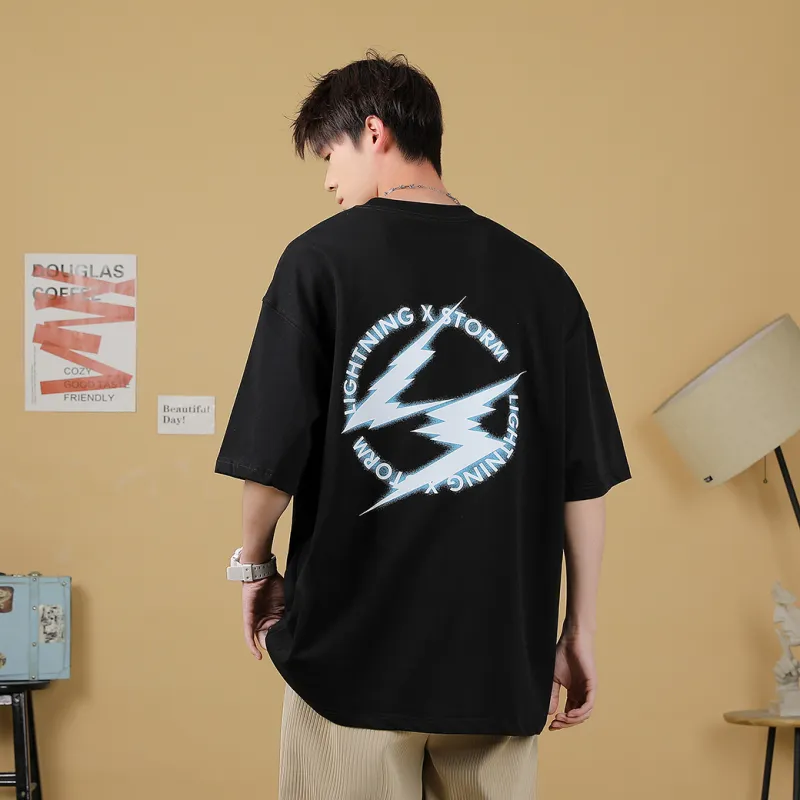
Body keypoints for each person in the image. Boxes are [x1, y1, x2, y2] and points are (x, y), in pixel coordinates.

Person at [215, 48, 632, 800]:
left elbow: (271, 460)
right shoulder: (544, 283)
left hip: (352, 662)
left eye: (330, 154)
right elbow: (584, 484)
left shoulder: (318, 263)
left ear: (374, 132)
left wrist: (254, 565)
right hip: (498, 662)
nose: (328, 181)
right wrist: (579, 631)